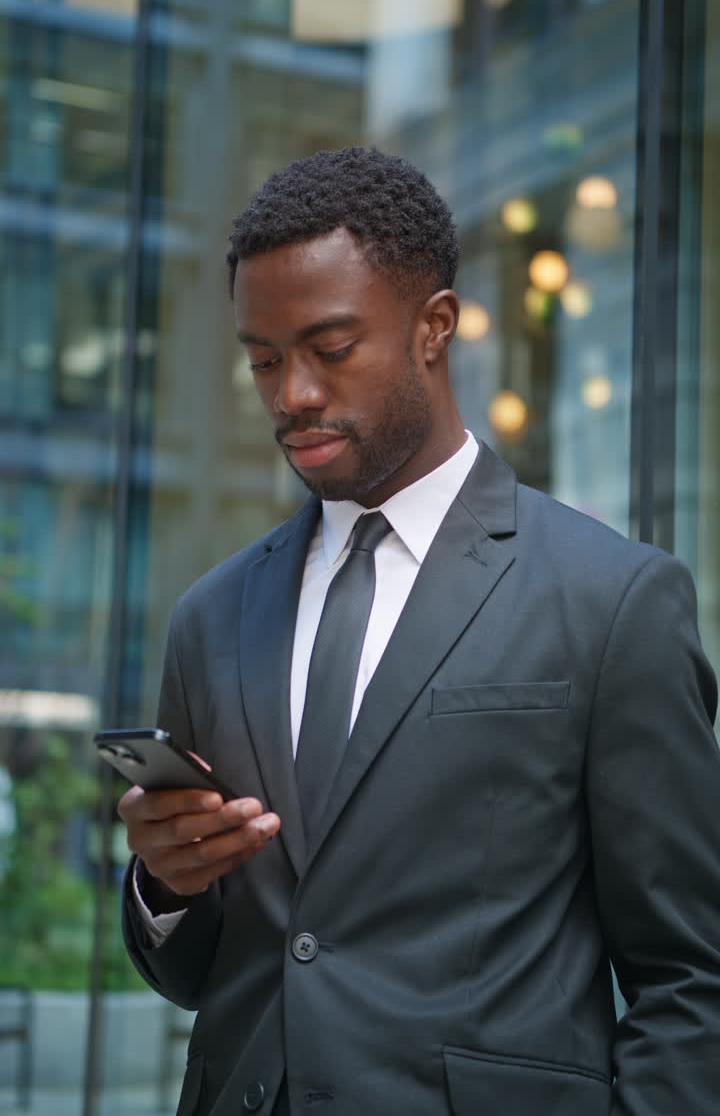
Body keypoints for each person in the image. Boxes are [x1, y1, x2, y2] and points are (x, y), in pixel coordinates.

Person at [119, 146, 720, 1116]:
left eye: (330, 346)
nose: (292, 394)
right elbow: (219, 971)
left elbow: (695, 977)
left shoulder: (612, 602)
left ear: (434, 326)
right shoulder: (213, 617)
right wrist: (165, 884)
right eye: (264, 359)